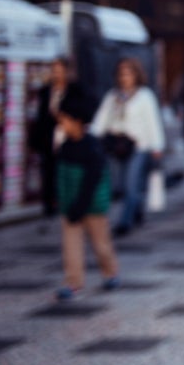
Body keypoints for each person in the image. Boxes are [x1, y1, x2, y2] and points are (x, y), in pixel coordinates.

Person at [54, 86, 120, 301]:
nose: (61, 124)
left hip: (92, 205)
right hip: (70, 204)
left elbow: (93, 180)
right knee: (71, 246)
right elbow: (61, 175)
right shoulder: (64, 147)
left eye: (64, 119)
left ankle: (110, 272)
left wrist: (81, 204)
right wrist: (63, 201)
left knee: (101, 244)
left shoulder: (92, 147)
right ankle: (73, 282)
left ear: (77, 120)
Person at [91, 58, 164, 237]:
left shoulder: (145, 96)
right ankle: (136, 208)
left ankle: (125, 221)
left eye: (129, 73)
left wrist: (157, 146)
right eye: (122, 74)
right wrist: (92, 136)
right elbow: (101, 120)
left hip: (138, 146)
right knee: (122, 184)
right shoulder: (113, 96)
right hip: (117, 146)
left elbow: (152, 122)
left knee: (132, 182)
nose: (125, 78)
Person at [29, 57, 83, 218]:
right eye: (54, 70)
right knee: (48, 169)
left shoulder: (75, 90)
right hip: (48, 137)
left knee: (66, 169)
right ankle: (49, 204)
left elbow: (81, 111)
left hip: (67, 135)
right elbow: (40, 116)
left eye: (60, 70)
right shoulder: (46, 91)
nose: (56, 74)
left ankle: (65, 201)